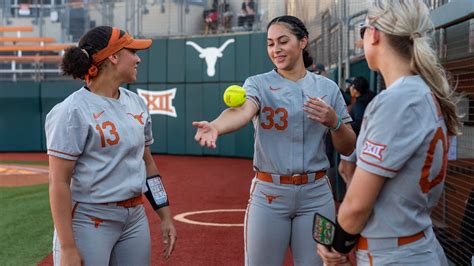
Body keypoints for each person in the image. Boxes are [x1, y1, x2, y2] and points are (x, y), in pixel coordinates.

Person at [193, 15, 356, 265]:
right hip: (269, 195)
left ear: (303, 42)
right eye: (270, 44)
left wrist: (334, 122)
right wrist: (216, 126)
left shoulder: (327, 87)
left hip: (316, 194)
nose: (276, 50)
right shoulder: (258, 84)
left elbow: (348, 146)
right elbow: (242, 111)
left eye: (283, 41)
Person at [316, 1, 461, 265]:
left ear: (374, 33)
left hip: (395, 253)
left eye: (363, 31)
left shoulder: (398, 100)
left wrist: (337, 248)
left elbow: (357, 205)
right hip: (415, 242)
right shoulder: (422, 91)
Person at [46, 26, 177, 266]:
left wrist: (165, 215)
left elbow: (147, 164)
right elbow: (59, 182)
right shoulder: (71, 111)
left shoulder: (136, 103)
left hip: (135, 218)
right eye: (132, 51)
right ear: (113, 56)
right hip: (89, 220)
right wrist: (67, 247)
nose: (138, 58)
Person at [338, 76, 374, 185]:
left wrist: (343, 126)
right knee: (342, 170)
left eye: (351, 86)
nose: (349, 88)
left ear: (356, 89)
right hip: (364, 142)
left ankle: (352, 198)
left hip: (354, 143)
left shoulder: (359, 105)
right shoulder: (369, 100)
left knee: (351, 179)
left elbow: (358, 124)